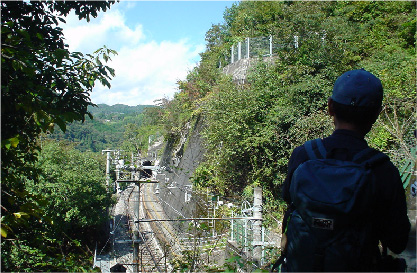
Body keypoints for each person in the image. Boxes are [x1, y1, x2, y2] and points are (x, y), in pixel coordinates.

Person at [280, 69, 411, 271]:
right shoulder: (381, 168)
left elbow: (289, 201)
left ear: (330, 107)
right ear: (376, 113)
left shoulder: (304, 155)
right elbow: (397, 242)